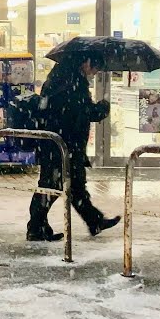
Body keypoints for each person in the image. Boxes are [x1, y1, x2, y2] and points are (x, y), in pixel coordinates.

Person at [27, 52, 120, 242]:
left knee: (72, 186)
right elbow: (83, 111)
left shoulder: (62, 76)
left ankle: (94, 221)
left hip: (60, 143)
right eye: (94, 69)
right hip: (63, 144)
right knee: (50, 187)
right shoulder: (71, 82)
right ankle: (36, 227)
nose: (93, 74)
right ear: (86, 62)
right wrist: (103, 107)